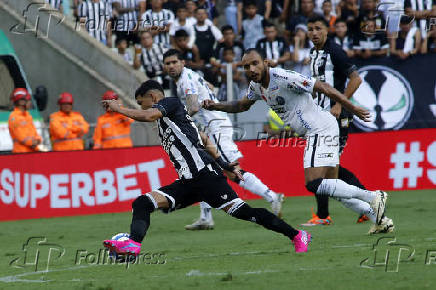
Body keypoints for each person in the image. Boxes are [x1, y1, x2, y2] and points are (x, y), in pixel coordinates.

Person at [102, 80, 311, 256]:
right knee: (142, 203)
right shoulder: (172, 120)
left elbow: (148, 116)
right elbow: (203, 138)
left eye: (142, 103)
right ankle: (133, 245)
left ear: (154, 98)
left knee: (244, 212)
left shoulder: (171, 103)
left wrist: (118, 108)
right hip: (188, 182)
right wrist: (225, 164)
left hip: (205, 177)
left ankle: (296, 235)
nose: (142, 108)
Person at [202, 48, 394, 234]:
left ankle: (374, 196)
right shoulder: (256, 86)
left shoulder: (284, 77)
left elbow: (323, 87)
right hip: (321, 129)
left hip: (320, 128)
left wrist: (351, 107)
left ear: (266, 63)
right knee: (332, 187)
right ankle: (379, 219)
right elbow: (242, 105)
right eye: (246, 66)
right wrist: (215, 105)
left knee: (313, 183)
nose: (251, 69)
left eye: (255, 63)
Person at [163, 49, 284, 230]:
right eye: (168, 64)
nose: (171, 66)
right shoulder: (190, 76)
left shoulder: (185, 79)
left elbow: (194, 106)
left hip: (215, 126)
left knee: (231, 170)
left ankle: (271, 196)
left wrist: (178, 120)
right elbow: (210, 87)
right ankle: (205, 217)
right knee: (203, 171)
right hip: (208, 127)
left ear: (182, 62)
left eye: (174, 62)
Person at [307, 16, 380, 227]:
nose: (314, 33)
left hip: (338, 117)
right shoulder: (313, 53)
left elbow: (356, 78)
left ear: (326, 31)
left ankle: (323, 216)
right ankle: (369, 202)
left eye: (318, 28)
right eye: (311, 29)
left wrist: (340, 103)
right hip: (321, 118)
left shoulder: (335, 52)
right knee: (330, 166)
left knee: (323, 166)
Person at [8, 88, 43, 153]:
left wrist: (38, 140)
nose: (30, 103)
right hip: (21, 154)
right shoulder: (14, 117)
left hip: (32, 152)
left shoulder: (28, 116)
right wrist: (33, 142)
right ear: (21, 102)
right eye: (28, 100)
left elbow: (35, 133)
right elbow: (22, 137)